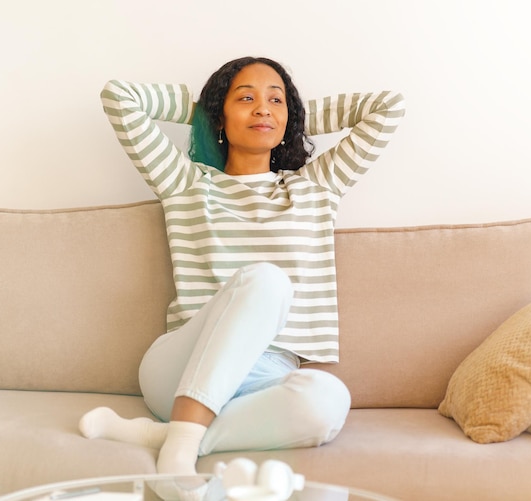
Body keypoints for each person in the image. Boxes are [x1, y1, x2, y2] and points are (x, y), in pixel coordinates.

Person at [79, 56, 405, 481]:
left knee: (328, 401)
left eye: (276, 101)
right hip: (182, 365)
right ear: (220, 115)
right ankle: (176, 457)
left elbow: (389, 107)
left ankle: (165, 436)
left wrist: (296, 113)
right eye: (245, 98)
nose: (263, 109)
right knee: (267, 280)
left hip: (265, 378)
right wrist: (203, 110)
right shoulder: (187, 184)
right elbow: (119, 98)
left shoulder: (314, 188)